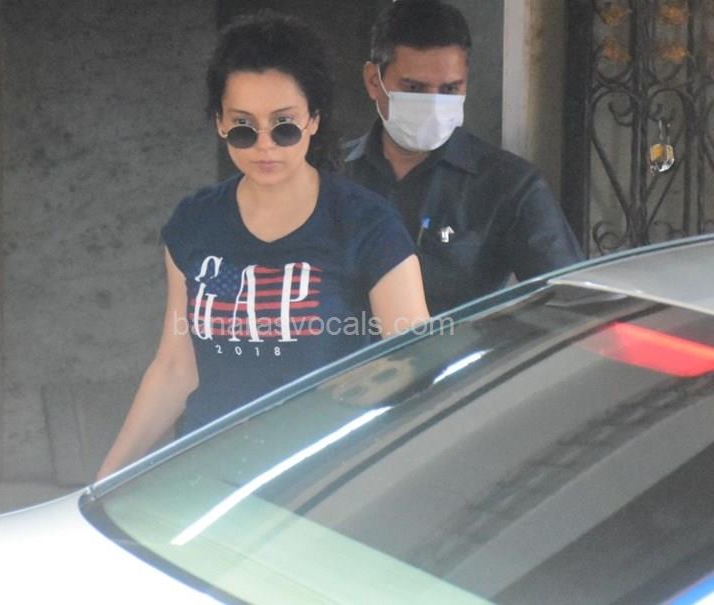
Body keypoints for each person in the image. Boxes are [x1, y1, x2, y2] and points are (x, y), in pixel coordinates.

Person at [97, 11, 430, 479]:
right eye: (243, 127)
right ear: (219, 123)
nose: (265, 145)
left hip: (324, 479)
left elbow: (414, 366)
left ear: (314, 120)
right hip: (208, 473)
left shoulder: (367, 225)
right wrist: (104, 481)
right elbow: (175, 368)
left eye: (284, 125)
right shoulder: (194, 223)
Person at [343, 0, 583, 315]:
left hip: (461, 346)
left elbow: (571, 303)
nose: (432, 104)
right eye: (413, 87)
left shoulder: (509, 186)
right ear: (374, 82)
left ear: (466, 83)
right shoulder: (328, 176)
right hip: (343, 345)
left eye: (449, 89)